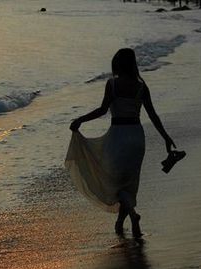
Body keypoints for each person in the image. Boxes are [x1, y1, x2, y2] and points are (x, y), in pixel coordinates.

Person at [65, 48, 176, 240]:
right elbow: (153, 115)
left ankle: (132, 215)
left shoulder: (112, 85)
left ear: (117, 64)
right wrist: (166, 137)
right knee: (129, 184)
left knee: (117, 184)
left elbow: (102, 110)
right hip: (137, 137)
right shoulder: (141, 86)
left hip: (118, 137)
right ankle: (121, 222)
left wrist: (80, 120)